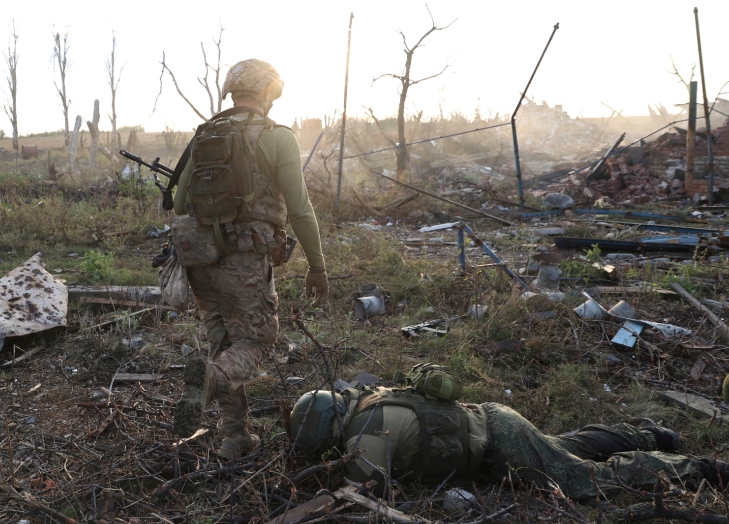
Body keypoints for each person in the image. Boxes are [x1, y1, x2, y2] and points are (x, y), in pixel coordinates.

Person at [170, 59, 328, 459]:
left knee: (223, 341)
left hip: (199, 259)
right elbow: (300, 208)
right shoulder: (277, 138)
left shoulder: (207, 134)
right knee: (257, 339)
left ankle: (234, 437)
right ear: (267, 92)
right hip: (244, 257)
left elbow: (176, 202)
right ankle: (210, 380)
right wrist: (317, 265)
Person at [289, 385, 729, 500]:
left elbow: (364, 492)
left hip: (499, 445)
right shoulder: (367, 400)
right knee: (564, 447)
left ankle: (700, 469)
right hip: (495, 425)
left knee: (581, 481)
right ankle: (650, 433)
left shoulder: (366, 434)